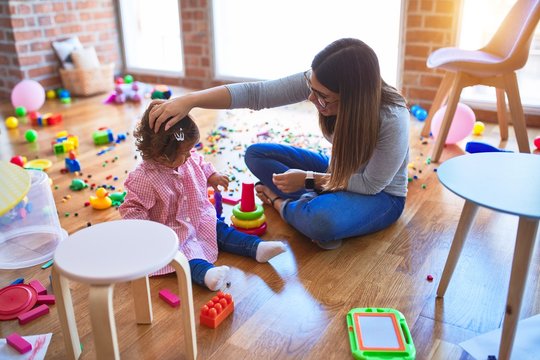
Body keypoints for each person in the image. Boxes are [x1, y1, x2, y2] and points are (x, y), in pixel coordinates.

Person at [148, 38, 410, 250]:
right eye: (311, 86)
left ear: (354, 98)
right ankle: (311, 206)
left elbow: (370, 184)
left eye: (322, 97)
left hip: (380, 196)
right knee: (256, 155)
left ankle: (286, 205)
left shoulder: (392, 117)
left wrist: (307, 181)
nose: (310, 97)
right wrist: (190, 100)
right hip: (336, 173)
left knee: (322, 222)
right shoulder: (320, 82)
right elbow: (257, 93)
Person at [120, 105, 287, 291]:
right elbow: (132, 208)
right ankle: (207, 274)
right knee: (186, 256)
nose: (188, 156)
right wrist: (147, 233)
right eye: (182, 153)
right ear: (160, 152)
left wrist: (212, 176)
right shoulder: (144, 177)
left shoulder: (187, 156)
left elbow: (201, 163)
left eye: (189, 151)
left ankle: (256, 248)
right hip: (173, 231)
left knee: (222, 231)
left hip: (198, 216)